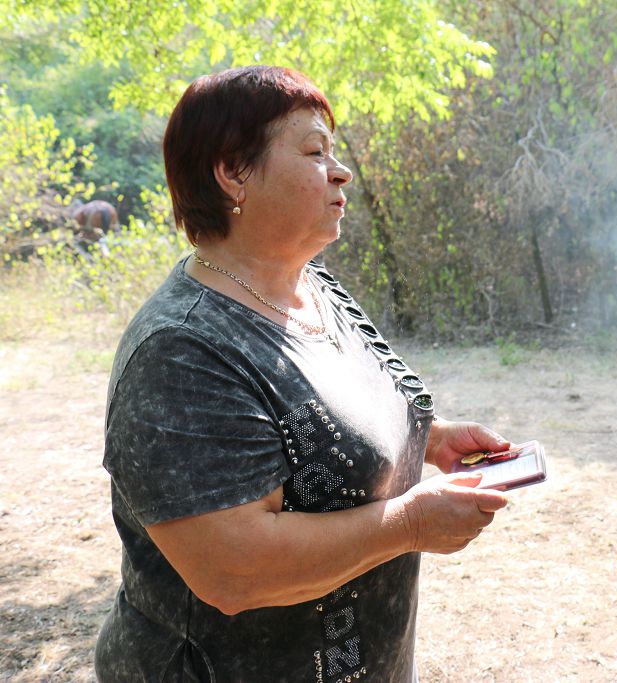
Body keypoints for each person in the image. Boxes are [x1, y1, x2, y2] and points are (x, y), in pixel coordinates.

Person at [94, 65, 511, 682]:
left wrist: (431, 438)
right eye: (315, 152)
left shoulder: (311, 286)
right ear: (233, 172)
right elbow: (236, 570)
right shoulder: (180, 350)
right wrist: (413, 523)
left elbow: (321, 414)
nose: (341, 172)